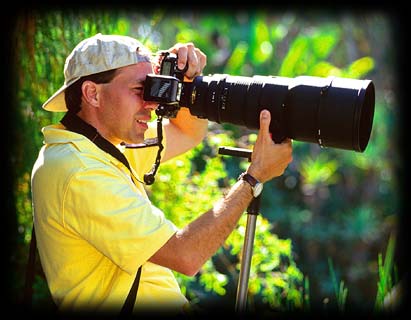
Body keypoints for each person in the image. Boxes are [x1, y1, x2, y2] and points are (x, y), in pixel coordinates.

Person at [30, 33, 293, 316]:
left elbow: (187, 132)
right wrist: (253, 179)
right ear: (93, 93)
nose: (151, 104)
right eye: (138, 89)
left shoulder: (100, 148)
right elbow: (186, 255)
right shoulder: (80, 170)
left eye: (152, 89)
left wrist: (184, 82)